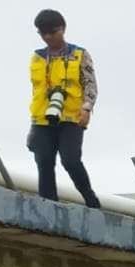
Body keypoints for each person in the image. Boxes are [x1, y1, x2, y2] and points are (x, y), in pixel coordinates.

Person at [28, 10, 100, 207]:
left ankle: (91, 200)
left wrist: (86, 108)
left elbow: (90, 84)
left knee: (70, 160)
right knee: (44, 161)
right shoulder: (37, 57)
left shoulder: (79, 55)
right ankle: (48, 204)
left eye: (52, 32)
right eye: (43, 33)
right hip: (43, 118)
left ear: (63, 29)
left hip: (72, 118)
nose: (48, 37)